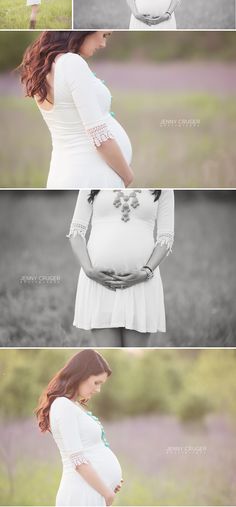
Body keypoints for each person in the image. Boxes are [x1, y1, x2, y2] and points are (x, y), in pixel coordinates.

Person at [19, 31, 133, 189]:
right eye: (104, 35)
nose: (103, 44)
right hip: (91, 175)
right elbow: (99, 135)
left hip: (64, 172)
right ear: (83, 31)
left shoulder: (47, 66)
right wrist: (127, 176)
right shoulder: (72, 63)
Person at [67, 188, 174, 347]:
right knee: (109, 354)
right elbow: (76, 232)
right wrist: (89, 270)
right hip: (100, 283)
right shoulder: (92, 183)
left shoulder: (163, 190)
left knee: (134, 354)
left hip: (141, 284)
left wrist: (146, 272)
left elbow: (165, 237)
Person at [35, 349, 123, 506]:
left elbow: (91, 449)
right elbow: (77, 460)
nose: (98, 389)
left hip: (91, 491)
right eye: (96, 382)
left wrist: (107, 482)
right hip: (81, 494)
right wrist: (107, 493)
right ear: (81, 375)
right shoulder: (63, 405)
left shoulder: (73, 405)